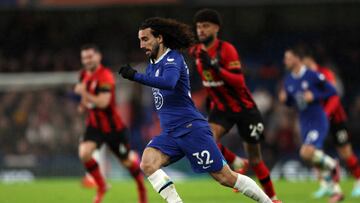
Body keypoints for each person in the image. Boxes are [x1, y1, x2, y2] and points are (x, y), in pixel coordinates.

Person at [118, 17, 280, 203]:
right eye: (139, 40)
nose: (141, 45)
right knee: (147, 163)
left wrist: (135, 76)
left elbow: (169, 83)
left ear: (160, 38)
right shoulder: (153, 65)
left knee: (225, 177)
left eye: (145, 39)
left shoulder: (173, 59)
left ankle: (268, 202)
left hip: (190, 129)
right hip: (171, 133)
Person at [189, 8, 277, 199]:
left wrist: (214, 66)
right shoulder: (196, 51)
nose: (201, 30)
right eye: (198, 27)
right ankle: (236, 161)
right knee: (206, 138)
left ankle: (273, 198)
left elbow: (238, 81)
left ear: (216, 29)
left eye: (205, 26)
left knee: (255, 159)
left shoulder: (226, 50)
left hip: (245, 109)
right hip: (221, 110)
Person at [74, 44, 147, 203]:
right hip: (94, 125)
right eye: (84, 57)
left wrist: (84, 93)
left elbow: (104, 102)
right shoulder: (83, 75)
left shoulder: (105, 76)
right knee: (84, 153)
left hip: (113, 128)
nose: (87, 60)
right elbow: (87, 99)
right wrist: (82, 104)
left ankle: (141, 187)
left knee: (126, 161)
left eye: (90, 56)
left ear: (98, 57)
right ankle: (102, 186)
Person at [279, 47, 344, 203]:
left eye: (288, 58)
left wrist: (314, 95)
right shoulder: (288, 80)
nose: (285, 61)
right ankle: (336, 192)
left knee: (306, 152)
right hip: (304, 121)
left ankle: (332, 164)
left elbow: (332, 91)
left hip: (317, 119)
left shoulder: (312, 75)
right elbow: (292, 102)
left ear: (296, 59)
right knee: (313, 159)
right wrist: (285, 100)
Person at [303, 51, 360, 197]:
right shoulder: (306, 79)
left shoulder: (325, 74)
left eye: (305, 62)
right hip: (317, 121)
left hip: (336, 119)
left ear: (311, 60)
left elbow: (334, 96)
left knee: (345, 151)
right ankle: (326, 184)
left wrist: (325, 114)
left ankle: (359, 180)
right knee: (314, 152)